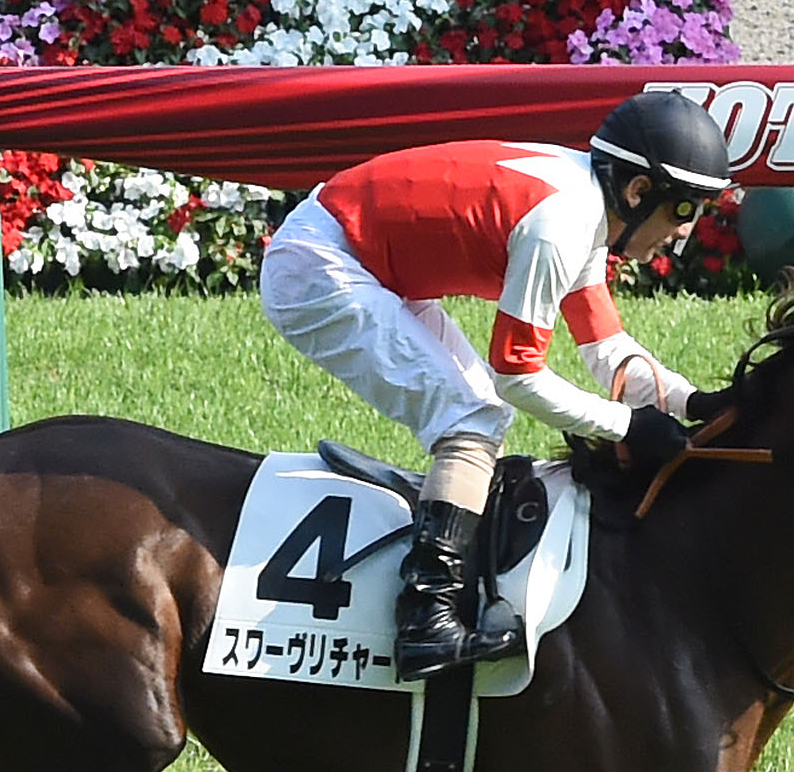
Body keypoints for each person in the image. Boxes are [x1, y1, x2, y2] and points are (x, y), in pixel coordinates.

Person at [260, 89, 731, 676]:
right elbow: (517, 374)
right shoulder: (560, 225)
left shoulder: (587, 202)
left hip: (356, 255)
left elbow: (605, 347)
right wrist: (627, 425)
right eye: (685, 209)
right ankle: (425, 620)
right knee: (474, 417)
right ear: (638, 192)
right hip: (319, 266)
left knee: (480, 415)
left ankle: (444, 584)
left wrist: (695, 400)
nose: (684, 233)